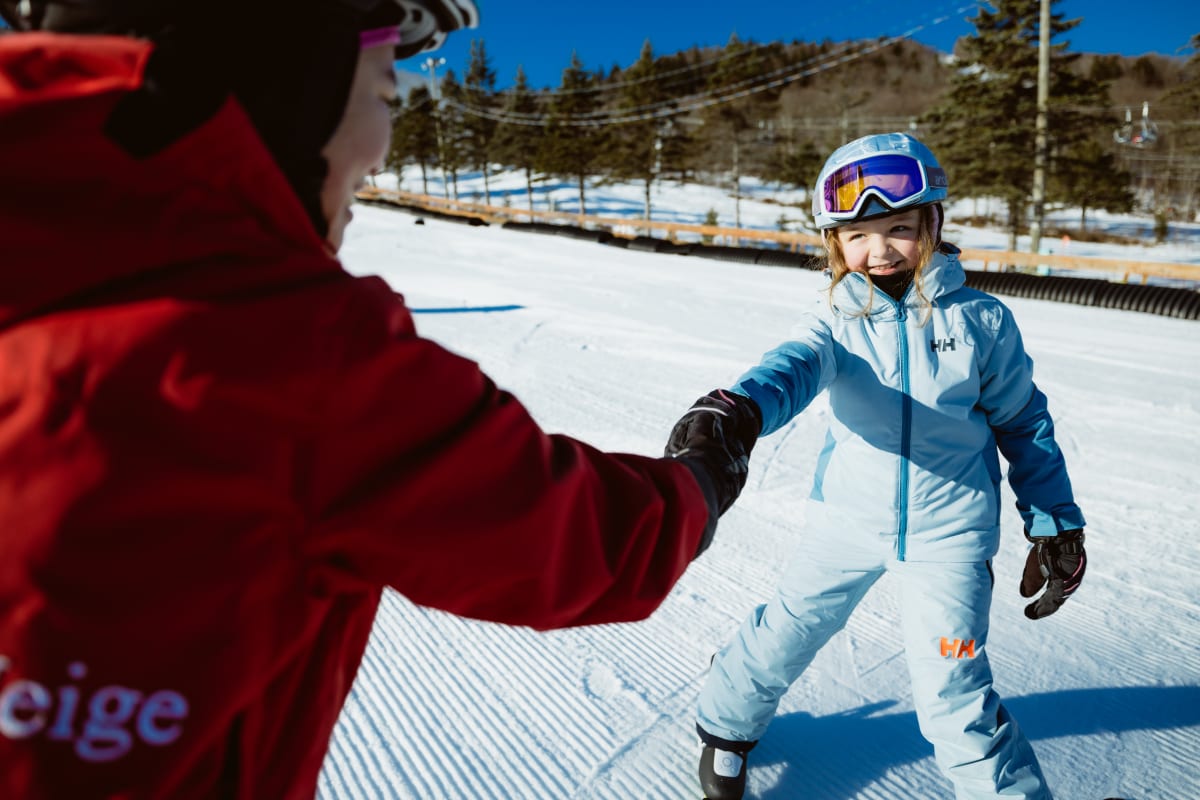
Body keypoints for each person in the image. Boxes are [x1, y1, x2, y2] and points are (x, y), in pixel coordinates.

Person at [0, 2, 751, 797]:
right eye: (386, 96)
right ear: (288, 79)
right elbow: (572, 538)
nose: (381, 150)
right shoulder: (296, 353)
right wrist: (700, 479)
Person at [666, 132, 1087, 800]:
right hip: (846, 521)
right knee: (788, 629)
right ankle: (725, 724)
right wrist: (737, 411)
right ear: (835, 241)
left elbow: (1023, 422)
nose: (880, 251)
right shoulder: (835, 318)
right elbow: (793, 367)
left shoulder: (982, 322)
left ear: (932, 223)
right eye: (857, 235)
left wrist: (1055, 518)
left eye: (898, 228)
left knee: (954, 687)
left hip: (950, 536)